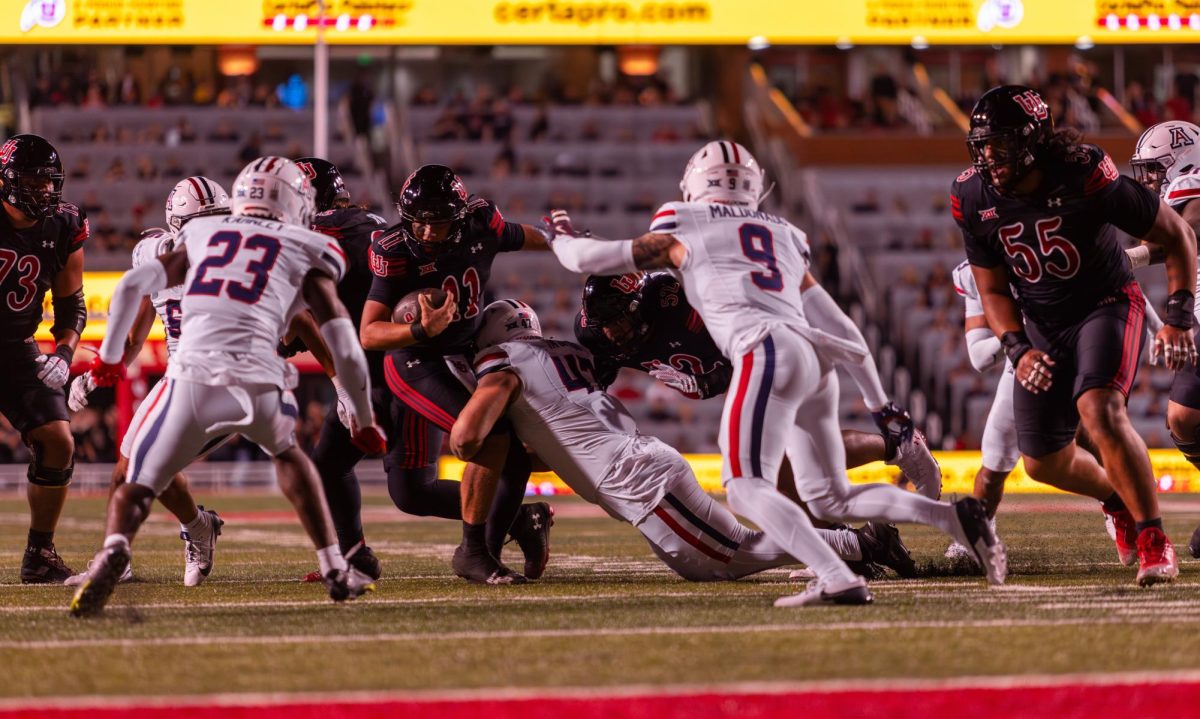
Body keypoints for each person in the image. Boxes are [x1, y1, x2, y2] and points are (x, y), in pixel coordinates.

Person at [545, 140, 1004, 606]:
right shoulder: (782, 231)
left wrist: (560, 234)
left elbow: (586, 259)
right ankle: (952, 518)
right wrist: (880, 402)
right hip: (811, 354)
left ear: (694, 186)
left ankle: (839, 577)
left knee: (745, 489)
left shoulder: (682, 225)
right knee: (828, 498)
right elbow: (838, 324)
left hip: (760, 352)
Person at [69, 157, 386, 616]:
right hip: (257, 377)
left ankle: (116, 547)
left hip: (191, 375)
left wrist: (107, 362)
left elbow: (133, 286)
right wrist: (360, 410)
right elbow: (340, 338)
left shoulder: (196, 241)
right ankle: (332, 565)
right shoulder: (306, 247)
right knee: (288, 456)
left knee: (136, 476)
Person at [451, 301, 915, 582]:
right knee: (703, 564)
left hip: (640, 478)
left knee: (730, 556)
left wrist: (478, 434)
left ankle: (864, 545)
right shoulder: (564, 353)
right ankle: (854, 546)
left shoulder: (502, 363)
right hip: (640, 469)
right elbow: (564, 437)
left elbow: (467, 439)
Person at [952, 86, 1197, 586]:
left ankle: (1155, 541)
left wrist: (1177, 314)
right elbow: (993, 287)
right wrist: (1017, 348)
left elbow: (1176, 234)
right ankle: (1118, 502)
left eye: (999, 144)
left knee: (1098, 408)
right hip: (1042, 322)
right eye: (982, 145)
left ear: (1032, 140)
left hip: (1105, 304)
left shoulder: (1083, 171)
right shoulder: (972, 194)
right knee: (1042, 462)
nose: (989, 157)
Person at [575, 271, 941, 499]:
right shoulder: (598, 336)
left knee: (786, 463)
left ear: (639, 304)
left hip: (771, 350)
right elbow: (596, 382)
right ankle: (841, 543)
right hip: (744, 370)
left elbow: (750, 341)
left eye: (618, 319)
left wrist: (713, 380)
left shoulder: (679, 300)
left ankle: (899, 448)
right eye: (602, 323)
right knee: (786, 473)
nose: (611, 331)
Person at [359, 165, 552, 584]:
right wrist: (418, 329)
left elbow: (529, 237)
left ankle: (485, 548)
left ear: (460, 217)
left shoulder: (482, 224)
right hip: (414, 358)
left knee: (497, 455)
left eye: (439, 223)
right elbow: (370, 333)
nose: (428, 233)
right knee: (483, 445)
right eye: (419, 223)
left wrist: (571, 247)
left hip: (463, 353)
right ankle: (493, 542)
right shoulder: (393, 248)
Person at [66, 176, 231, 587]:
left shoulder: (241, 258)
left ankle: (340, 556)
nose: (213, 232)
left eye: (219, 220)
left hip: (231, 382)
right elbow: (136, 336)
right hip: (179, 378)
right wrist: (96, 374)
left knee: (144, 467)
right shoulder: (154, 257)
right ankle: (188, 531)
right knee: (131, 471)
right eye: (202, 222)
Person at [943, 258, 1160, 562]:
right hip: (1030, 356)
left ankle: (1137, 509)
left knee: (1097, 423)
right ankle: (1117, 502)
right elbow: (979, 356)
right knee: (996, 461)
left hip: (1085, 335)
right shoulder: (975, 267)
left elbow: (1116, 273)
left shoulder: (1046, 238)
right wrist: (1019, 335)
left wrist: (1159, 326)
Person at [288, 156, 390, 581]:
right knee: (329, 463)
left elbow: (308, 315)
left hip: (379, 365)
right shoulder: (370, 220)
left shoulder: (319, 231)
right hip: (392, 353)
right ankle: (354, 556)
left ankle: (513, 519)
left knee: (411, 489)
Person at [0, 134, 88, 584]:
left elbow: (72, 304)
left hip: (15, 346)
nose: (45, 191)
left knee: (58, 440)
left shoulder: (65, 223)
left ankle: (40, 555)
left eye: (50, 182)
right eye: (34, 181)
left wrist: (65, 353)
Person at [1129, 119, 1200, 561]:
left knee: (1185, 415)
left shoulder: (1194, 184)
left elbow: (1187, 230)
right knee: (1184, 417)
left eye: (1156, 168)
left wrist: (1129, 256)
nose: (1150, 178)